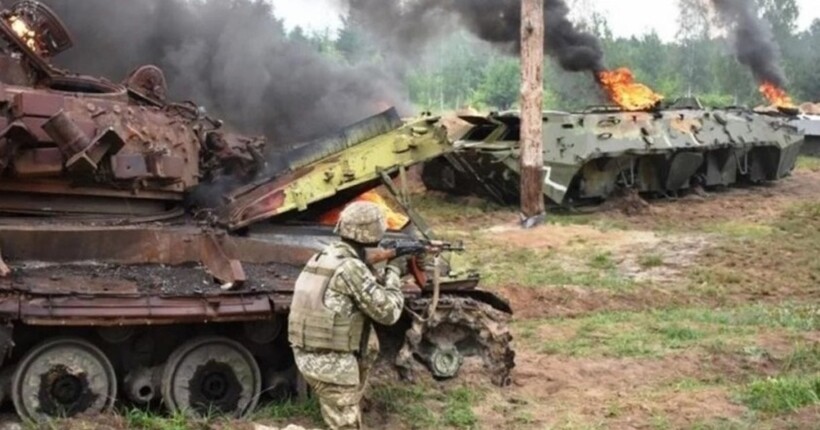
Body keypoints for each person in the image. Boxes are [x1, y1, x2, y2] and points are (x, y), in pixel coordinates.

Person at [288, 201, 406, 430]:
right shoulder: (351, 267)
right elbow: (389, 313)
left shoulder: (324, 255)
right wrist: (394, 271)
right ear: (373, 235)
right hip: (331, 362)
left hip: (313, 353)